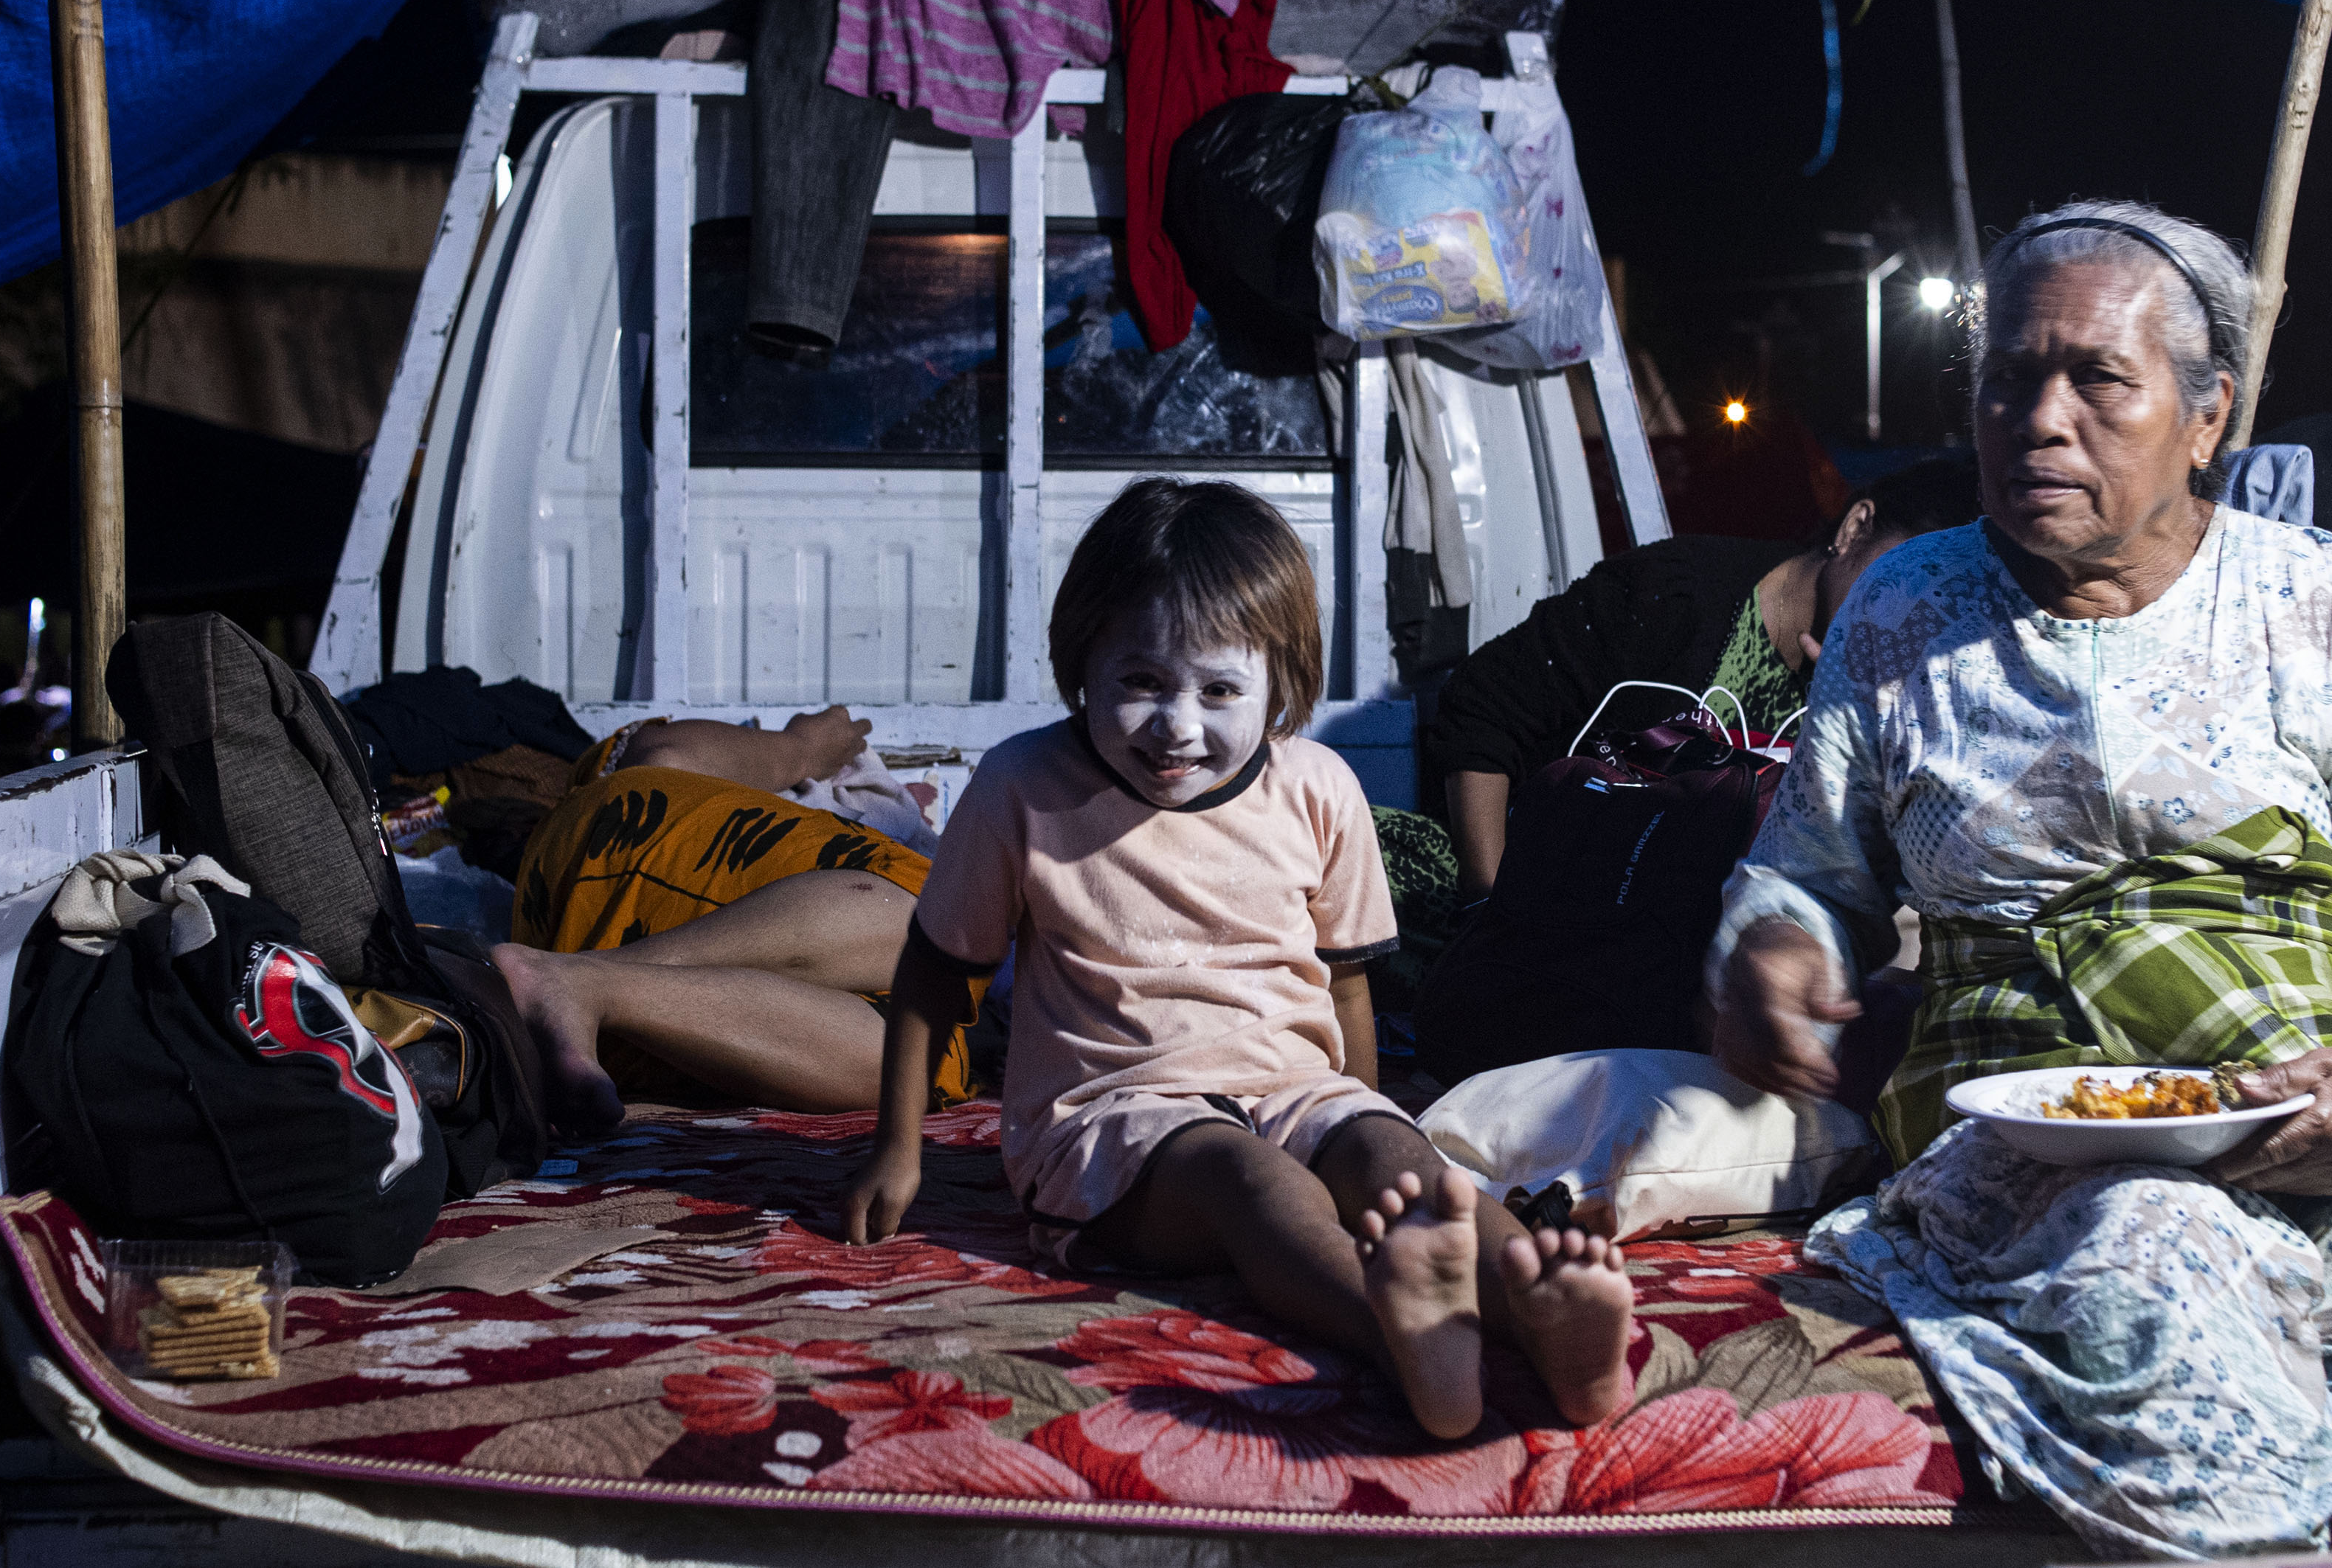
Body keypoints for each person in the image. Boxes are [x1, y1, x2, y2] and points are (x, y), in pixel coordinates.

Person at [1709, 201, 2332, 1558]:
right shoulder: (1907, 607)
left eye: (2098, 379)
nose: (2038, 420)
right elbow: (1804, 877)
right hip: (2032, 1150)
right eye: (2010, 377)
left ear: (2207, 413)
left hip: (2320, 1125)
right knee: (2163, 1258)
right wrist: (1777, 950)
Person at [839, 477, 1635, 1439]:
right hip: (1114, 1116)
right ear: (1081, 662)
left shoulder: (1318, 787)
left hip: (1295, 1089)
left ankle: (1540, 1308)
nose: (1177, 725)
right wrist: (897, 1148)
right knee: (1259, 1184)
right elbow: (934, 975)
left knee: (1405, 1165)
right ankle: (1399, 1333)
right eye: (1141, 683)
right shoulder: (1023, 786)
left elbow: (1346, 987)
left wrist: (1365, 1121)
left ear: (1280, 680)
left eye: (1219, 690)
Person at [1375, 457, 1980, 979]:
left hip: (1662, 969)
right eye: (1904, 581)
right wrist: (1489, 911)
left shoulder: (1881, 705)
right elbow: (1483, 709)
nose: (1906, 621)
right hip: (1516, 912)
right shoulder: (1677, 594)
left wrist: (1856, 722)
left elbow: (1859, 887)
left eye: (1938, 616)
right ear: (1856, 526)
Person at [490, 704, 969, 1136]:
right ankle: (575, 982)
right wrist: (801, 749)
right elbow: (659, 755)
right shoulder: (910, 858)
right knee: (934, 919)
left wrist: (800, 748)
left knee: (912, 1064)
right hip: (627, 849)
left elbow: (661, 754)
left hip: (615, 1011)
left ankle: (581, 986)